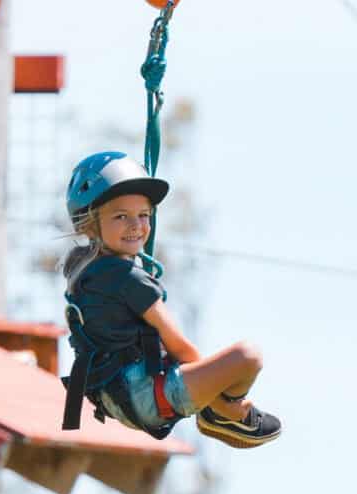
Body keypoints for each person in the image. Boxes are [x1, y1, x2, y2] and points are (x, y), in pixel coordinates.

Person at [60, 151, 281, 448]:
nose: (136, 226)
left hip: (113, 397)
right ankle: (226, 411)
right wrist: (212, 392)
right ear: (88, 225)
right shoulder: (128, 278)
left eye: (143, 216)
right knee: (248, 357)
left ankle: (220, 410)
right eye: (121, 216)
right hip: (148, 395)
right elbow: (179, 345)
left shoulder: (80, 270)